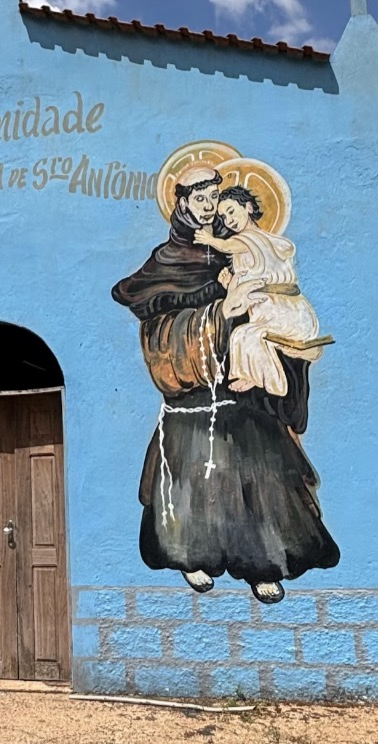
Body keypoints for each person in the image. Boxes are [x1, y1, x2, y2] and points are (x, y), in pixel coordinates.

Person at [111, 164, 339, 604]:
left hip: (242, 391)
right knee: (191, 479)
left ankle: (264, 565)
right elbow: (159, 332)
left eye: (214, 198)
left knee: (258, 478)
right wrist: (221, 314)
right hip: (193, 395)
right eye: (199, 200)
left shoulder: (236, 249)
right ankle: (188, 557)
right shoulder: (166, 261)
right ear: (180, 203)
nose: (209, 207)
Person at [193, 185, 322, 397]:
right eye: (224, 217)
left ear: (250, 208)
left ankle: (272, 383)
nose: (229, 220)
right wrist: (230, 284)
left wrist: (210, 241)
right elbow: (247, 286)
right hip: (272, 314)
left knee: (245, 335)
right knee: (242, 335)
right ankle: (251, 375)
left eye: (232, 211)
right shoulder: (248, 248)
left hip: (288, 313)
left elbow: (228, 246)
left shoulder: (254, 238)